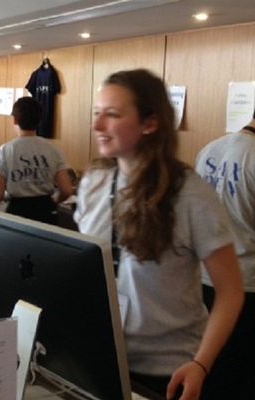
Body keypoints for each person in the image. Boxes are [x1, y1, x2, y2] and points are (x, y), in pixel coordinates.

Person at [74, 69, 243, 400]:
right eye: (97, 114)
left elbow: (231, 291)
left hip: (168, 374)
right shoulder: (93, 183)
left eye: (112, 115)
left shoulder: (190, 195)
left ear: (149, 124)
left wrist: (201, 364)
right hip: (101, 359)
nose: (97, 126)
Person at [194, 110, 255, 399]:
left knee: (210, 367)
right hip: (245, 285)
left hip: (205, 278)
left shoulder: (209, 150)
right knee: (238, 375)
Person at [0, 97, 73, 224]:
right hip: (46, 212)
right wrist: (54, 201)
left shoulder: (4, 151)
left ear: (15, 120)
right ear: (39, 120)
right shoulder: (54, 150)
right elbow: (66, 190)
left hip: (18, 212)